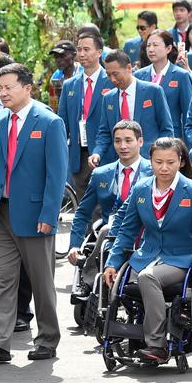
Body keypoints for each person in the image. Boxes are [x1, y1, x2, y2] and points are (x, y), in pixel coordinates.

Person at [0, 63, 68, 363]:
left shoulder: (49, 122)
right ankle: (0, 342)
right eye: (0, 88)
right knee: (4, 279)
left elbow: (57, 174)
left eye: (9, 87)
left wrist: (49, 215)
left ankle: (48, 339)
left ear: (28, 88)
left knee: (41, 282)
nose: (3, 93)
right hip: (1, 211)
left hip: (35, 213)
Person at [103, 137, 192, 364]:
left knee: (148, 278)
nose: (164, 168)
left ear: (180, 161)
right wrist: (112, 262)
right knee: (124, 282)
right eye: (158, 162)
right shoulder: (141, 189)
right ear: (151, 161)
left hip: (180, 259)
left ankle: (157, 345)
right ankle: (123, 334)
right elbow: (127, 231)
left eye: (170, 162)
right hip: (145, 256)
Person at [67, 121, 150, 298]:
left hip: (146, 230)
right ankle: (89, 282)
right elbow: (82, 212)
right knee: (105, 231)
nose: (123, 146)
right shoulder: (101, 174)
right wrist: (74, 245)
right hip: (110, 230)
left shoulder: (154, 171)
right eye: (118, 141)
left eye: (128, 140)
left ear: (140, 142)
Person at [90, 50, 172, 167]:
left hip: (148, 161)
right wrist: (97, 153)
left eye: (115, 74)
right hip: (118, 162)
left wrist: (160, 156)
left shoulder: (153, 91)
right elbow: (104, 132)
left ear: (129, 68)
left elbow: (166, 128)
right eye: (108, 75)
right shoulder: (108, 98)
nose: (112, 79)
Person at [58, 32, 113, 203]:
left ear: (99, 52)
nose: (82, 54)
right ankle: (88, 231)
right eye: (79, 49)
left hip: (105, 152)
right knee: (83, 203)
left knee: (104, 203)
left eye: (87, 49)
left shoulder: (111, 81)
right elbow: (63, 123)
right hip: (79, 153)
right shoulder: (70, 85)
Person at [135, 30, 192, 139]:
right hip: (144, 139)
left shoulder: (181, 76)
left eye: (155, 45)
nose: (151, 49)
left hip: (171, 139)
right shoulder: (138, 75)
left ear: (168, 48)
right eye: (148, 45)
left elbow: (188, 114)